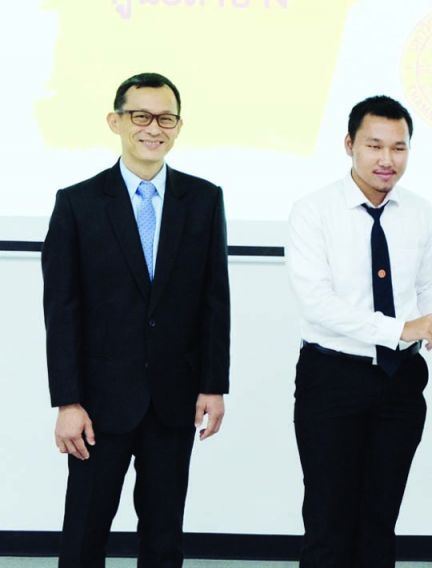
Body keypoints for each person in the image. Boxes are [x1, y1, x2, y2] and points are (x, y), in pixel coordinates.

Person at [42, 72, 230, 568]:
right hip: (97, 405)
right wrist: (67, 401)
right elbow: (61, 312)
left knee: (164, 538)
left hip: (174, 399)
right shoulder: (77, 203)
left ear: (178, 126)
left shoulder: (204, 199)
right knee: (84, 535)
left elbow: (215, 301)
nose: (153, 128)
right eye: (141, 116)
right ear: (116, 121)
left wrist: (213, 385)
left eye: (166, 118)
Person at [286, 94, 432, 568]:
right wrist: (400, 328)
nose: (387, 159)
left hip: (400, 382)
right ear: (349, 145)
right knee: (328, 519)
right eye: (374, 146)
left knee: (379, 519)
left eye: (399, 148)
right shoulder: (313, 211)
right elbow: (317, 303)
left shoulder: (419, 211)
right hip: (332, 379)